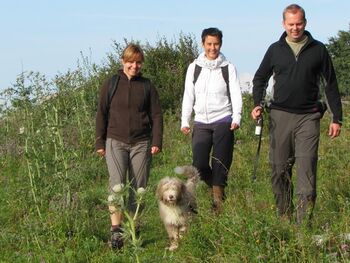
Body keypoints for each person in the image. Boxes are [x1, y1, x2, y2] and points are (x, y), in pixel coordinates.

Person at [251, 4, 342, 225]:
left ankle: (303, 226)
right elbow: (259, 79)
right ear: (283, 24)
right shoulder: (275, 49)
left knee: (307, 169)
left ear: (305, 23)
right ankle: (284, 217)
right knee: (279, 169)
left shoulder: (318, 49)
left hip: (309, 117)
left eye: (299, 23)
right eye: (291, 24)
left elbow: (330, 85)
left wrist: (336, 118)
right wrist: (257, 103)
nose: (295, 28)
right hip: (280, 115)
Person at [95, 43, 163, 249]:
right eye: (131, 62)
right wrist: (99, 141)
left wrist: (157, 141)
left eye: (139, 62)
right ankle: (116, 232)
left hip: (141, 143)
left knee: (138, 188)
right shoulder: (111, 83)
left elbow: (157, 115)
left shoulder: (147, 86)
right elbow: (101, 113)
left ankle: (134, 231)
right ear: (123, 61)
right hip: (115, 141)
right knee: (117, 186)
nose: (135, 66)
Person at [181, 27, 243, 213]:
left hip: (223, 119)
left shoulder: (228, 67)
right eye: (209, 44)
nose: (212, 48)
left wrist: (237, 116)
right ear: (203, 44)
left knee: (220, 163)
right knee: (199, 163)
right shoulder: (194, 67)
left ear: (220, 44)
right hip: (201, 121)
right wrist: (185, 120)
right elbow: (188, 95)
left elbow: (236, 93)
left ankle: (218, 204)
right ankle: (216, 189)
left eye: (216, 44)